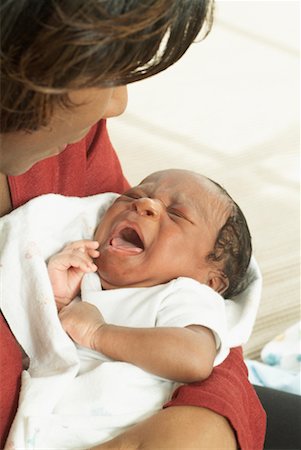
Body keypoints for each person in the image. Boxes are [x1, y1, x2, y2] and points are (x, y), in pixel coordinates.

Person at [0, 1, 266, 449]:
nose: (118, 104)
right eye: (102, 67)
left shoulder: (68, 143)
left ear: (211, 281)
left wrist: (204, 425)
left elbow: (202, 354)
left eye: (175, 214)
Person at [5, 169, 252, 448]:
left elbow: (193, 357)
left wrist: (100, 332)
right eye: (134, 195)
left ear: (210, 280)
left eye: (177, 214)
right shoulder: (89, 280)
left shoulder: (184, 293)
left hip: (123, 431)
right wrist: (58, 304)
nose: (144, 204)